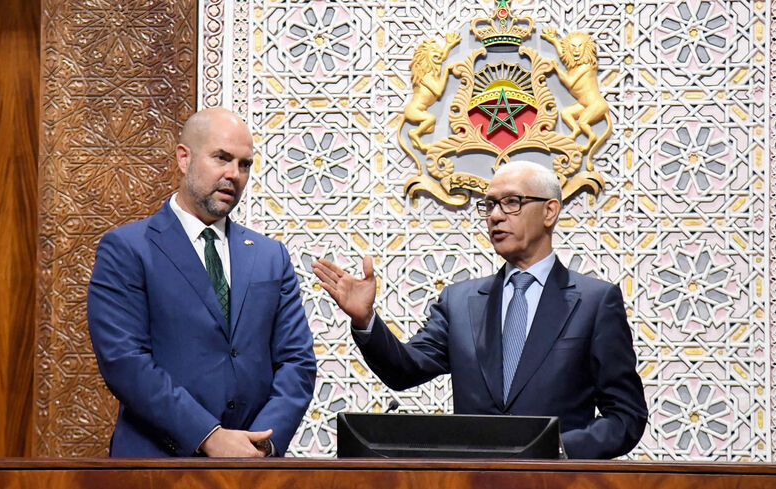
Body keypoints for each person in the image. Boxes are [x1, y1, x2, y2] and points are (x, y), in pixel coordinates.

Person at [312, 161, 647, 459]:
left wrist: (560, 448)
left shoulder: (595, 302)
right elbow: (405, 370)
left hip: (555, 483)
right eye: (489, 205)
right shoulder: (460, 303)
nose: (496, 216)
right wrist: (365, 319)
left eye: (512, 202)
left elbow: (626, 417)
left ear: (549, 211)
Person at [87, 108, 316, 457]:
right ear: (184, 158)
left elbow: (297, 362)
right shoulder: (128, 248)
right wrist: (208, 436)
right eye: (221, 158)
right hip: (157, 467)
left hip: (254, 469)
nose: (233, 174)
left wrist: (261, 443)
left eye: (244, 165)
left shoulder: (271, 256)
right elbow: (125, 360)